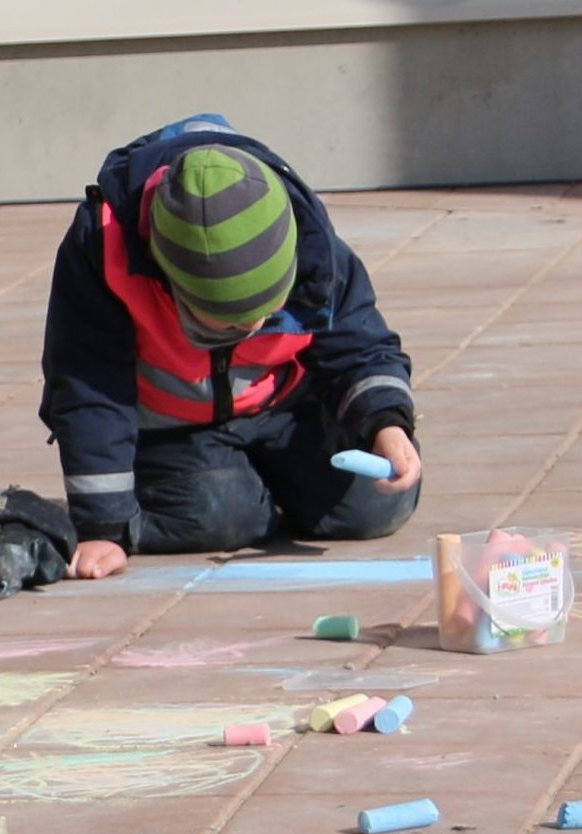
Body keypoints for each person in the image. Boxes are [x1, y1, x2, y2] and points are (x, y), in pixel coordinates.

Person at [39, 113, 423, 580]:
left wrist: (386, 423)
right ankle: (212, 496)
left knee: (373, 504)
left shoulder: (305, 237)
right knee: (223, 514)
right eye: (228, 323)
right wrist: (103, 526)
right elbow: (88, 386)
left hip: (286, 406)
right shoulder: (102, 247)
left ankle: (261, 483)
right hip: (175, 428)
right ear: (173, 283)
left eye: (266, 310)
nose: (256, 326)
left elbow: (358, 340)